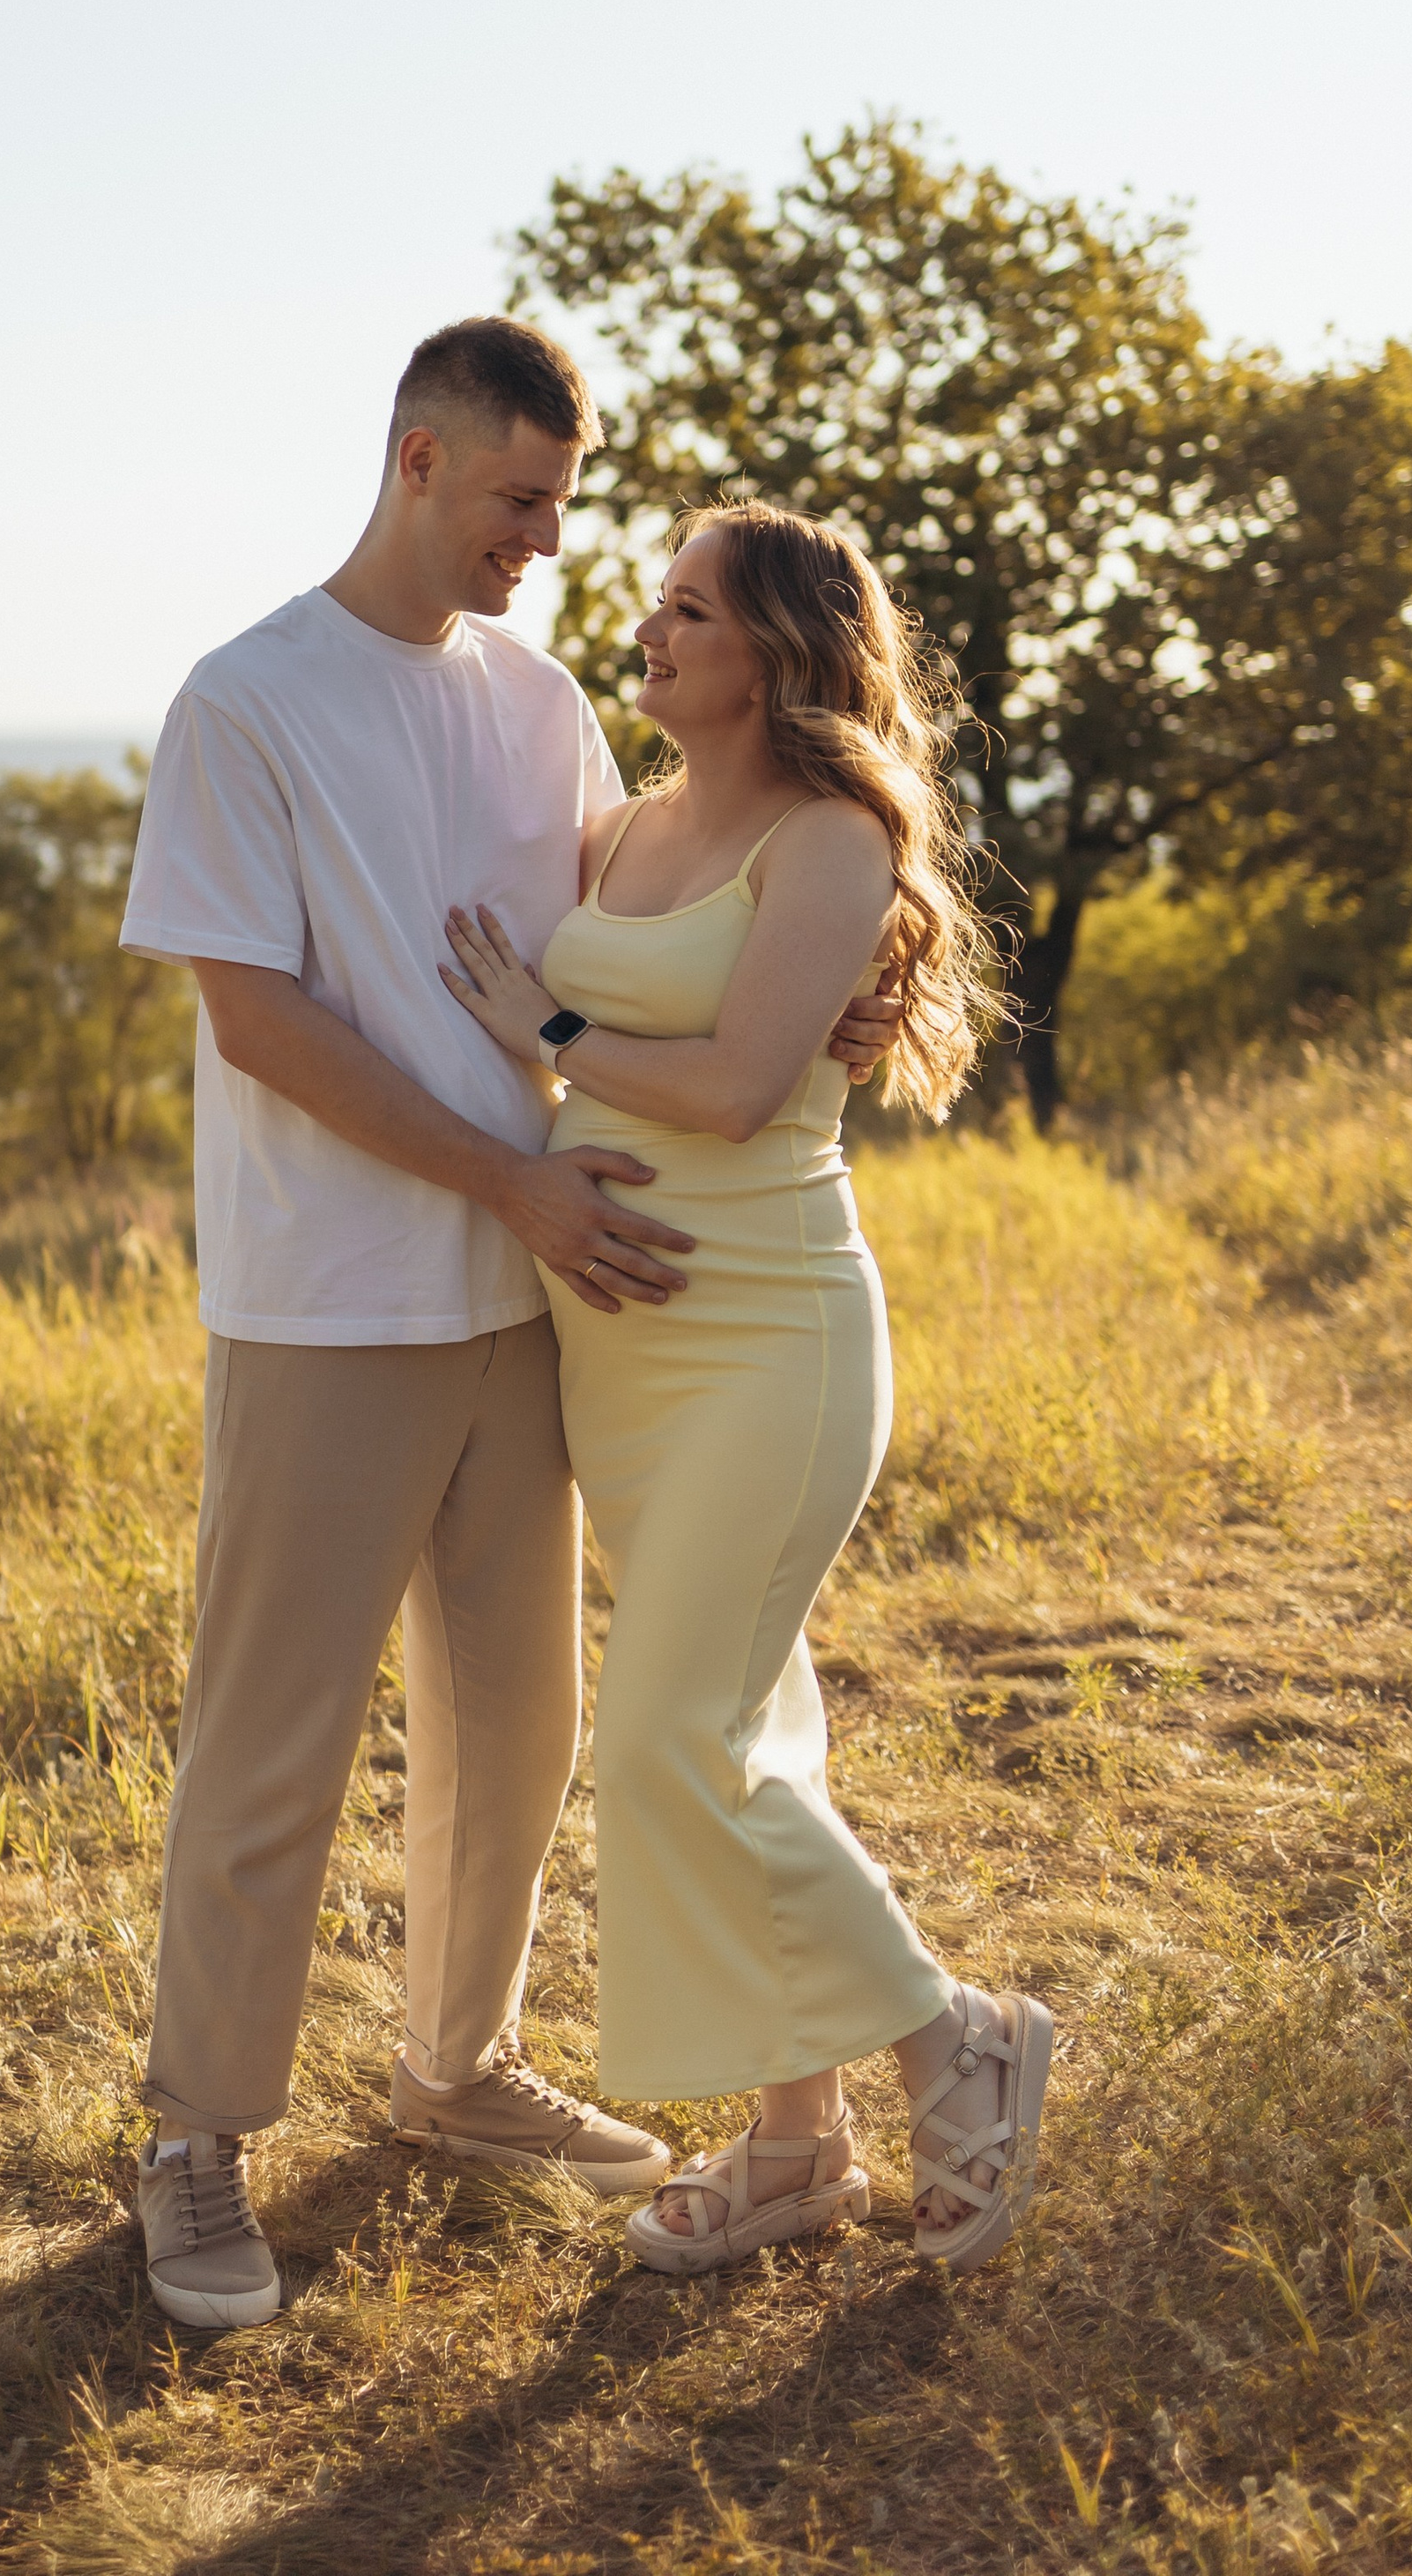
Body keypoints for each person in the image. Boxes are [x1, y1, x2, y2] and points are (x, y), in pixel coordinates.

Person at [116, 323, 904, 2328]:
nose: (546, 543)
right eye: (516, 503)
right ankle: (195, 2143)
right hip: (333, 1304)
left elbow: (638, 943)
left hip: (540, 1303)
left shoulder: (544, 705)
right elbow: (257, 1017)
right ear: (413, 460)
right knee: (273, 1743)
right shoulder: (248, 702)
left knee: (521, 1726)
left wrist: (835, 988)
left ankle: (454, 2072)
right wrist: (514, 1177)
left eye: (566, 506)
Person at [441, 499, 1053, 2278]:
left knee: (662, 1745)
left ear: (776, 652)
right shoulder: (616, 830)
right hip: (617, 1347)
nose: (649, 629)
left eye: (689, 609)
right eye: (655, 601)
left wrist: (535, 1035)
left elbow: (721, 1086)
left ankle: (956, 2039)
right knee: (742, 1729)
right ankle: (794, 2147)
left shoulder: (831, 838)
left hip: (765, 1338)